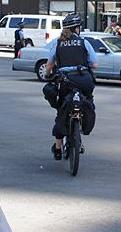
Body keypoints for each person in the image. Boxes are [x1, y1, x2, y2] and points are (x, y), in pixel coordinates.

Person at [44, 14, 98, 161]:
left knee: (61, 110)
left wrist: (47, 75)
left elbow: (50, 64)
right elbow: (95, 64)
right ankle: (83, 121)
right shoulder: (83, 43)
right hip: (83, 81)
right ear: (77, 29)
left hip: (65, 82)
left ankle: (57, 148)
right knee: (88, 102)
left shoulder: (58, 43)